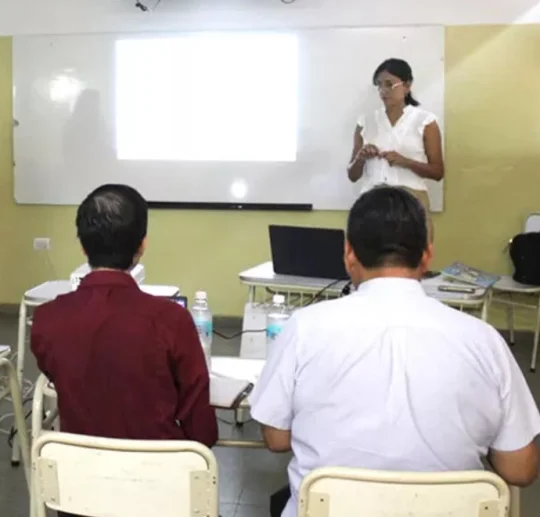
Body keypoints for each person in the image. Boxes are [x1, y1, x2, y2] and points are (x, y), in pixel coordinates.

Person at [251, 186, 540, 517]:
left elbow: (276, 438)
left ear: (349, 253)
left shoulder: (303, 328)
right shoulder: (484, 340)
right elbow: (521, 469)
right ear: (427, 254)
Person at [31, 183, 218, 452]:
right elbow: (201, 430)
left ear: (83, 247)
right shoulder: (171, 320)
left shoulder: (47, 319)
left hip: (78, 480)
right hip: (160, 478)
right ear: (142, 245)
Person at [347, 58, 443, 240]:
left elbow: (438, 172)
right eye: (379, 85)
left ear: (407, 86)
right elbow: (352, 175)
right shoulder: (365, 122)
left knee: (410, 259)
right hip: (372, 203)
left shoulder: (425, 121)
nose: (383, 91)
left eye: (389, 84)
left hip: (411, 203)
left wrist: (404, 162)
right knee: (372, 259)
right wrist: (361, 157)